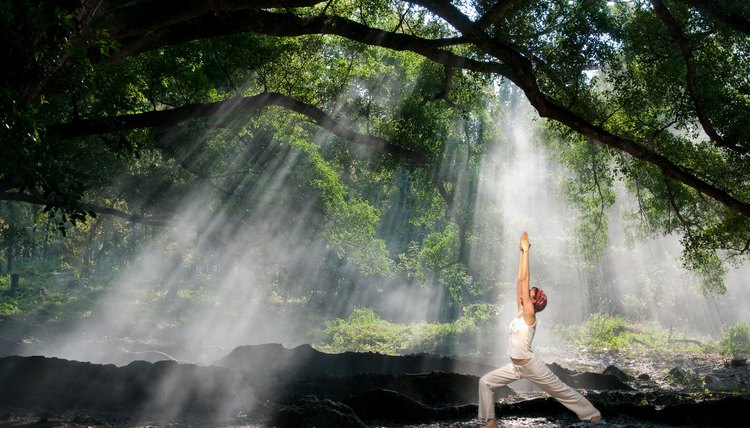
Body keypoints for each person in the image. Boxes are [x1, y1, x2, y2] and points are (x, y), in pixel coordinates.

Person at [478, 232, 602, 427]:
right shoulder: (521, 311)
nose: (526, 293)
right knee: (485, 382)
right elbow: (520, 281)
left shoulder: (530, 315)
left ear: (534, 302)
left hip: (531, 366)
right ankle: (491, 421)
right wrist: (521, 252)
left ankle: (593, 414)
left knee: (559, 389)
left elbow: (525, 280)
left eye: (530, 294)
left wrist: (527, 252)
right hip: (516, 367)